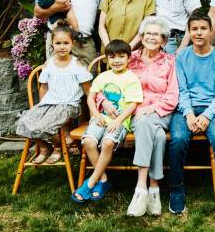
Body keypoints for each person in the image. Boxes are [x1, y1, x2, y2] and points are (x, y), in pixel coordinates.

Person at [168, 12, 215, 232]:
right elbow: (182, 90)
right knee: (177, 139)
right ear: (189, 31)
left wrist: (206, 115)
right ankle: (176, 189)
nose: (198, 32)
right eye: (194, 28)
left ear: (210, 31)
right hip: (186, 109)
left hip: (213, 110)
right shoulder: (182, 57)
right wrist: (188, 114)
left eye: (203, 28)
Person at [72, 40, 143, 203]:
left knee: (107, 143)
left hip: (120, 120)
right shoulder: (103, 77)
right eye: (112, 57)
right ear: (107, 59)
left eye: (121, 56)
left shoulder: (131, 78)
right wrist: (95, 113)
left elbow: (133, 104)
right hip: (100, 118)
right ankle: (103, 179)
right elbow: (91, 96)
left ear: (129, 58)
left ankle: (90, 183)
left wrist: (118, 120)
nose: (116, 60)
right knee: (89, 141)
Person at [16, 21, 92, 164]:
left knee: (47, 125)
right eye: (58, 43)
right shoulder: (49, 64)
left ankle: (57, 147)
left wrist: (93, 112)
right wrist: (39, 107)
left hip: (68, 105)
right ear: (52, 45)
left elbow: (88, 90)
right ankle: (44, 147)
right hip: (49, 103)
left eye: (65, 43)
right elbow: (43, 87)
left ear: (72, 44)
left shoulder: (77, 65)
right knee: (25, 121)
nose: (62, 47)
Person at [126, 16, 179, 217]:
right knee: (156, 135)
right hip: (133, 110)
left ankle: (140, 187)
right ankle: (154, 188)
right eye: (148, 33)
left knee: (147, 123)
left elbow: (173, 94)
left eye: (156, 34)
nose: (151, 37)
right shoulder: (130, 59)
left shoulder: (170, 61)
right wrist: (134, 108)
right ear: (141, 37)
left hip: (161, 111)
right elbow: (117, 85)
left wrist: (154, 108)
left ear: (164, 41)